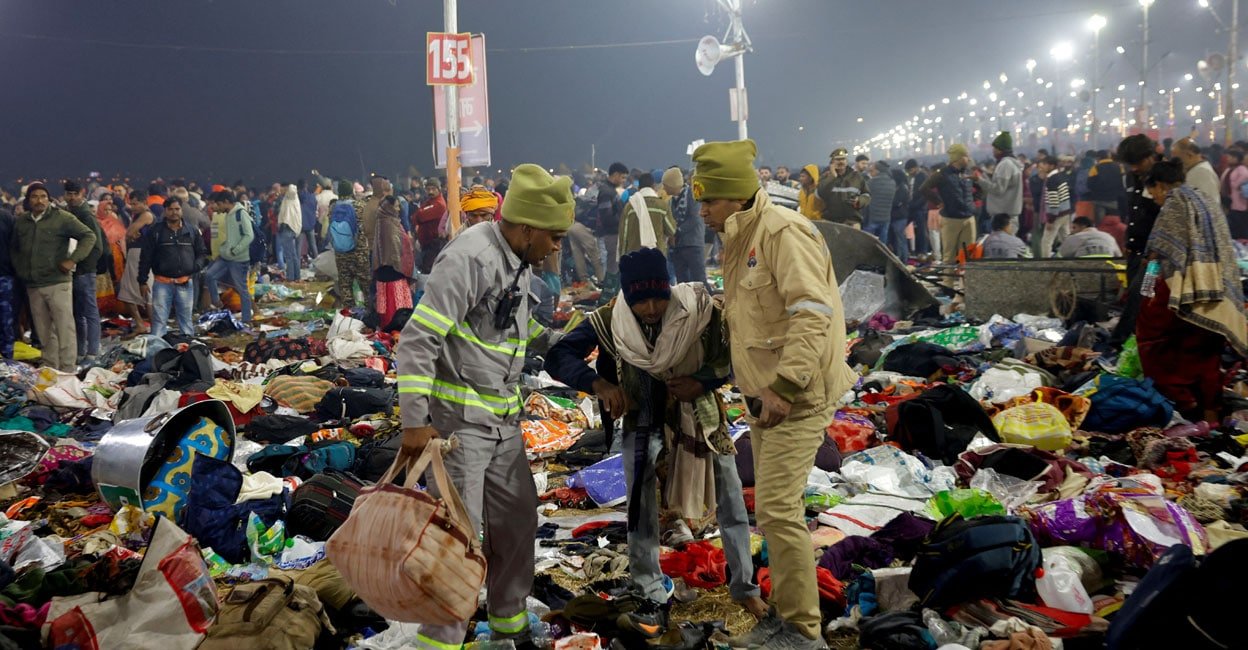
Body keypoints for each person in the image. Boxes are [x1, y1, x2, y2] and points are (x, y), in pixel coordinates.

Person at [543, 248, 766, 636]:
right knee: (640, 508)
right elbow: (558, 355)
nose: (649, 308)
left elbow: (734, 355)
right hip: (642, 420)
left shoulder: (697, 310)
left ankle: (744, 586)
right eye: (639, 300)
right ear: (626, 297)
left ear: (669, 289)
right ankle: (648, 588)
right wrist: (600, 384)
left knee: (730, 497)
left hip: (700, 419)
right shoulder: (612, 319)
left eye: (657, 297)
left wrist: (703, 382)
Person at [395, 164, 569, 650]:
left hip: (503, 423)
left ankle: (508, 628)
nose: (557, 247)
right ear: (528, 227)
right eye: (553, 237)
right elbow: (418, 339)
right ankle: (442, 639)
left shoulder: (517, 261)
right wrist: (415, 423)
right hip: (459, 430)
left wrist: (563, 344)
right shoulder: (469, 259)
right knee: (459, 542)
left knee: (517, 524)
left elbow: (509, 332)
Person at [693, 140, 854, 650]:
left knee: (780, 512)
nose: (702, 211)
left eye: (709, 201)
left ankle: (803, 633)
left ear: (736, 197)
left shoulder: (784, 232)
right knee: (773, 511)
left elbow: (813, 312)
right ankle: (785, 619)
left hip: (798, 395)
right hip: (766, 395)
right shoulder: (742, 236)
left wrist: (784, 385)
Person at [1138, 159, 1247, 423]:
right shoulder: (1206, 200)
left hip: (1185, 288)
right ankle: (1211, 412)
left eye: (1154, 193)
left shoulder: (1176, 201)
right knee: (1207, 352)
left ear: (1161, 185)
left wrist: (1146, 279)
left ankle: (1185, 404)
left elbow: (1159, 250)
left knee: (1154, 342)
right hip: (1217, 289)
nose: (1155, 200)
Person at [11, 182, 97, 371]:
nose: (39, 200)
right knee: (43, 330)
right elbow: (15, 249)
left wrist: (72, 260)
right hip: (33, 284)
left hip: (57, 282)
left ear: (48, 199)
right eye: (34, 197)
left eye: (43, 196)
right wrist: (21, 269)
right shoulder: (22, 221)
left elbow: (89, 236)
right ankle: (50, 367)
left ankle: (67, 370)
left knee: (64, 328)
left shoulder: (62, 218)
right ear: (28, 200)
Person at [1110, 135, 1163, 346]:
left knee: (1140, 299)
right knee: (1136, 298)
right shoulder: (1133, 177)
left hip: (1153, 258)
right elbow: (1133, 212)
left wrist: (1155, 252)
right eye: (1130, 164)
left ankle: (1123, 344)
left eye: (1138, 163)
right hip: (1135, 252)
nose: (1133, 168)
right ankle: (1134, 344)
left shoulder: (1163, 178)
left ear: (1151, 156)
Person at [137, 197, 207, 338]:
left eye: (177, 209)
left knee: (186, 321)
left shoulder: (192, 231)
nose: (174, 212)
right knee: (159, 321)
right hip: (162, 283)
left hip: (185, 282)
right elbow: (146, 257)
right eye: (170, 209)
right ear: (165, 211)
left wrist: (196, 267)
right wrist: (142, 281)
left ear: (181, 210)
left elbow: (202, 252)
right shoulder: (155, 232)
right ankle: (158, 351)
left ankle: (186, 350)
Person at [62, 181, 107, 365]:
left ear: (82, 194)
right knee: (77, 313)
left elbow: (97, 246)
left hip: (83, 271)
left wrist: (83, 265)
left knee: (90, 312)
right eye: (69, 194)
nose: (72, 197)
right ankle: (80, 352)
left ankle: (92, 353)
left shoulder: (86, 215)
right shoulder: (69, 213)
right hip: (72, 271)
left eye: (75, 194)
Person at [203, 190, 255, 325]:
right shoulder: (228, 215)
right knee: (209, 275)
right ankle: (216, 302)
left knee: (241, 289)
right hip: (226, 256)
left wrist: (235, 250)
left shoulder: (240, 213)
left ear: (226, 202)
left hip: (238, 259)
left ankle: (246, 319)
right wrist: (225, 249)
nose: (217, 207)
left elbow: (249, 235)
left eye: (219, 204)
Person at [921, 144, 977, 268]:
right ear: (959, 158)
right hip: (951, 219)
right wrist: (938, 202)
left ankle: (966, 285)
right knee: (950, 257)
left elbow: (978, 189)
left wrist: (972, 203)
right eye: (966, 156)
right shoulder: (942, 174)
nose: (969, 159)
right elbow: (924, 188)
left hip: (969, 218)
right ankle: (948, 284)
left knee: (968, 257)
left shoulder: (967, 173)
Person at [372, 196, 414, 328]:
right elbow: (396, 251)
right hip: (394, 272)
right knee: (396, 306)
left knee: (386, 305)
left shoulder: (381, 220)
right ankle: (396, 328)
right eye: (396, 206)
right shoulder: (390, 223)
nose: (398, 209)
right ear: (390, 208)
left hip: (383, 271)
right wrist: (404, 270)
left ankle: (388, 327)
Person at [121, 189, 156, 333]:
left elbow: (129, 233)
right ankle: (144, 324)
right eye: (131, 204)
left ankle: (150, 325)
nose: (132, 207)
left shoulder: (146, 215)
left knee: (142, 291)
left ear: (144, 203)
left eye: (135, 204)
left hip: (140, 254)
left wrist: (131, 234)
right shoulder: (138, 215)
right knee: (130, 291)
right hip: (137, 253)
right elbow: (129, 235)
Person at [619, 172, 676, 258]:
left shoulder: (630, 206)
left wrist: (622, 256)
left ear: (639, 188)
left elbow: (624, 234)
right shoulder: (662, 205)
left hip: (635, 256)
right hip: (656, 256)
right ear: (653, 186)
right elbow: (671, 230)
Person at [665, 167, 706, 286]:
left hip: (693, 244)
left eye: (666, 185)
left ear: (673, 185)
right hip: (677, 247)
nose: (664, 188)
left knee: (699, 281)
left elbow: (695, 219)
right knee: (682, 283)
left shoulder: (693, 195)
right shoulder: (671, 201)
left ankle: (706, 304)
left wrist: (676, 232)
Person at [978, 132, 1024, 233]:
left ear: (1000, 150)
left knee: (1003, 245)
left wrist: (979, 180)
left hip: (1004, 217)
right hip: (1008, 214)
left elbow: (998, 189)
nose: (993, 151)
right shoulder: (1012, 163)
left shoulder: (1005, 164)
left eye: (994, 149)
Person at [817, 148, 870, 226]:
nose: (841, 162)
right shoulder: (826, 177)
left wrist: (860, 201)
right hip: (830, 222)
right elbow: (820, 193)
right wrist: (832, 177)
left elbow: (867, 194)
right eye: (838, 160)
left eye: (843, 159)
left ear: (846, 161)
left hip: (852, 222)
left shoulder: (857, 176)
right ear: (832, 162)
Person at [597, 163, 629, 295]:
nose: (623, 181)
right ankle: (608, 298)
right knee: (612, 268)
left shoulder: (611, 190)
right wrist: (622, 219)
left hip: (616, 234)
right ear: (615, 175)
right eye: (622, 177)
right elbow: (607, 217)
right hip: (612, 235)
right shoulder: (606, 192)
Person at [1038, 156, 1074, 258]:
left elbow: (1054, 201)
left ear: (1051, 166)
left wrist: (1050, 220)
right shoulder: (1061, 176)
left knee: (1046, 241)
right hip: (1065, 212)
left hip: (1056, 215)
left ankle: (1046, 265)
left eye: (1045, 164)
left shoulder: (1051, 180)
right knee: (1066, 239)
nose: (1042, 166)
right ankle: (1071, 259)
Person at [1172, 138, 1222, 206]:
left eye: (1177, 158)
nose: (1176, 162)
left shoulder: (1202, 172)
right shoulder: (1195, 170)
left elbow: (1209, 205)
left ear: (1189, 155)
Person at [415, 178, 447, 275]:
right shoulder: (429, 202)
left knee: (429, 272)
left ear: (439, 189)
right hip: (426, 244)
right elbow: (416, 216)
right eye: (428, 189)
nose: (430, 192)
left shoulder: (439, 204)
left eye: (433, 189)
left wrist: (420, 213)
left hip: (433, 244)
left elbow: (419, 216)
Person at [862, 161, 897, 243]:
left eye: (872, 171)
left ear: (877, 171)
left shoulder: (871, 183)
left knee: (868, 241)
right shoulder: (892, 182)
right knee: (882, 243)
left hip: (872, 217)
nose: (870, 173)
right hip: (886, 217)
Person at [905, 160, 932, 258]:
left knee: (921, 230)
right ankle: (915, 250)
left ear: (916, 168)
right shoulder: (911, 177)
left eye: (910, 170)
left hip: (919, 207)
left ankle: (922, 251)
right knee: (911, 228)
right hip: (911, 206)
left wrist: (916, 204)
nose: (909, 172)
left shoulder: (923, 177)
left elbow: (925, 194)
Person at [276, 184, 302, 282]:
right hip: (290, 228)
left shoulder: (291, 195)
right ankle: (296, 277)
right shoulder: (287, 198)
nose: (279, 191)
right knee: (293, 255)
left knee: (289, 256)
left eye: (281, 189)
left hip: (288, 228)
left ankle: (290, 278)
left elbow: (292, 189)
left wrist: (287, 188)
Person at [1221, 148, 1248, 238]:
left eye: (1230, 157)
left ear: (1236, 158)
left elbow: (1240, 183)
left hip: (1240, 204)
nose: (1228, 159)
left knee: (1239, 227)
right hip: (1233, 202)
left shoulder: (1242, 169)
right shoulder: (1231, 169)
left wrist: (1234, 184)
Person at [0, 207, 16, 358]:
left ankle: (7, 359)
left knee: (6, 319)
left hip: (4, 276)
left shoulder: (5, 217)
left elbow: (16, 244)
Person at [888, 166, 913, 261]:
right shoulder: (901, 187)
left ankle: (903, 259)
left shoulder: (902, 188)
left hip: (900, 217)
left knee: (900, 239)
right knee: (899, 239)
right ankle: (901, 257)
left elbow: (896, 202)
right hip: (897, 216)